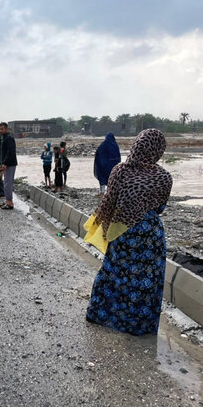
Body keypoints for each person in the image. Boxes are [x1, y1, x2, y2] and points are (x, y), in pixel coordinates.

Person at [84, 129, 172, 336]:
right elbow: (160, 208)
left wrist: (106, 228)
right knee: (144, 281)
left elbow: (109, 202)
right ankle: (138, 325)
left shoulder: (119, 171)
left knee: (114, 273)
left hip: (122, 230)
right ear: (158, 150)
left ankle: (103, 315)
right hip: (150, 235)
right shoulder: (164, 177)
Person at [0, 122, 17, 209]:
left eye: (2, 129)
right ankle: (7, 200)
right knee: (6, 182)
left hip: (10, 164)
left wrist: (5, 163)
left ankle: (10, 202)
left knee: (8, 183)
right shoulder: (4, 138)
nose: (0, 131)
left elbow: (10, 152)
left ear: (6, 129)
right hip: (6, 163)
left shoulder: (9, 138)